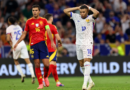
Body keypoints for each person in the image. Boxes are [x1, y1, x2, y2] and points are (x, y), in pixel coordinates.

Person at [13, 5, 56, 89]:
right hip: (33, 45)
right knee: (37, 64)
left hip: (42, 44)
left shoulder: (44, 20)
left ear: (39, 11)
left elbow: (48, 31)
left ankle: (45, 77)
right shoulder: (28, 21)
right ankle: (40, 84)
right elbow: (24, 33)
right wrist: (17, 42)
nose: (34, 12)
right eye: (33, 10)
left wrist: (52, 42)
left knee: (47, 65)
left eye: (36, 10)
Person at [64, 4, 99, 90]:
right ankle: (91, 82)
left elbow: (97, 12)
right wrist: (77, 8)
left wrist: (89, 7)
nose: (82, 14)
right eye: (81, 12)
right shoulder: (76, 17)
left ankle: (84, 85)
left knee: (87, 61)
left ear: (87, 12)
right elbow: (65, 11)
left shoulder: (91, 18)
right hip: (78, 43)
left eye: (84, 12)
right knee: (81, 64)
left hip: (87, 43)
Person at [6, 16, 35, 83]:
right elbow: (23, 35)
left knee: (16, 60)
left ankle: (22, 74)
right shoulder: (19, 26)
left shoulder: (8, 28)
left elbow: (8, 39)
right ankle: (33, 75)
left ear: (10, 22)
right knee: (28, 61)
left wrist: (11, 43)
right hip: (22, 43)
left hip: (15, 45)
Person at [43, 13, 64, 87]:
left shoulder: (42, 27)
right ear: (51, 19)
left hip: (43, 48)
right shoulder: (52, 26)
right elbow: (58, 38)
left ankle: (57, 82)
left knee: (54, 65)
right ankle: (44, 78)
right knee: (52, 64)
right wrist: (60, 43)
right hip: (51, 48)